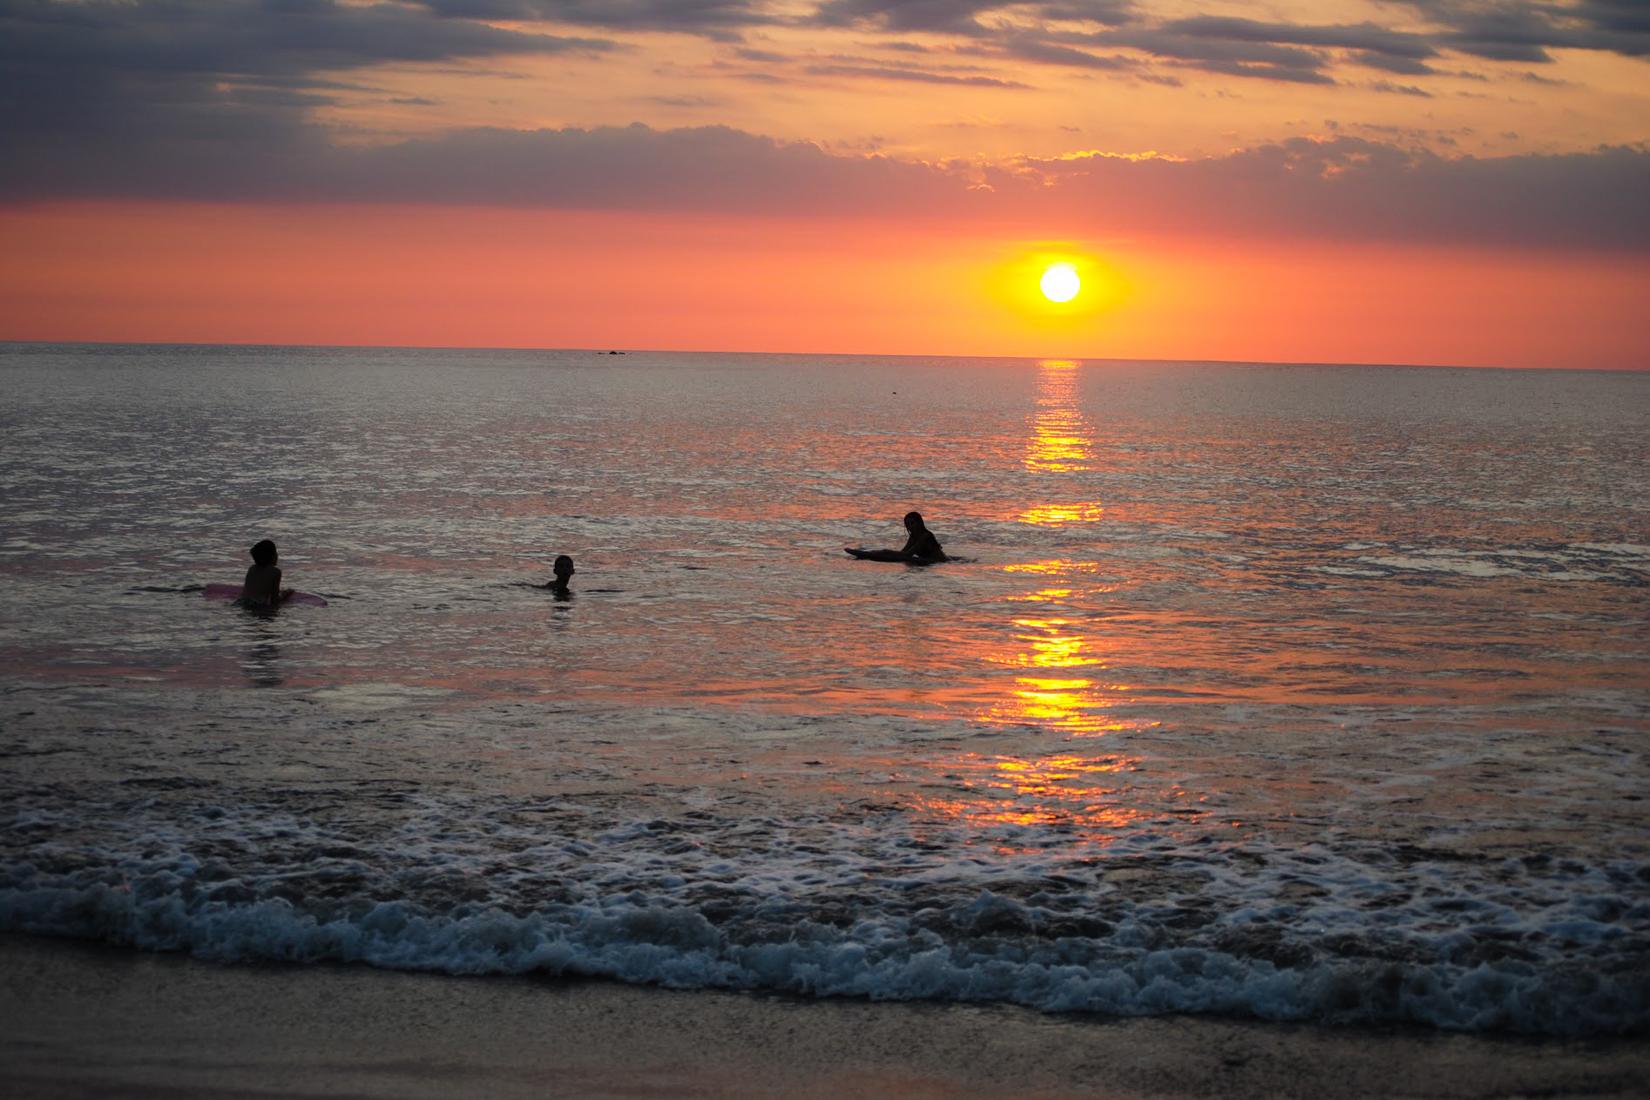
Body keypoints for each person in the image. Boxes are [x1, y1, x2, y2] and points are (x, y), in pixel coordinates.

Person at [846, 511, 947, 564]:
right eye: (907, 524)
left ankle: (872, 553)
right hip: (928, 562)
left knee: (887, 553)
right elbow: (903, 553)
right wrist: (882, 553)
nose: (910, 526)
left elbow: (907, 555)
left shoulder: (926, 536)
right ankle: (871, 553)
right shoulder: (913, 537)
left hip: (940, 562)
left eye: (912, 523)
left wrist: (885, 553)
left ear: (920, 523)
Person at [239, 539, 293, 609]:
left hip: (242, 602)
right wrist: (285, 595)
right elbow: (274, 600)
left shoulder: (251, 569)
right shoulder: (275, 572)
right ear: (273, 556)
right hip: (258, 606)